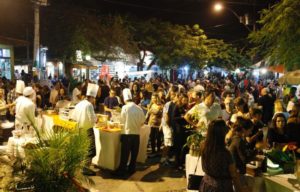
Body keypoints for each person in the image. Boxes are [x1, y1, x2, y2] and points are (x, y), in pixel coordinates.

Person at [200, 120, 245, 192]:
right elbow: (233, 174)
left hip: (206, 184)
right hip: (221, 187)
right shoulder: (225, 153)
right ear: (222, 134)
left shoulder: (204, 146)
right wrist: (240, 189)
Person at [115, 88, 145, 176]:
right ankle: (132, 169)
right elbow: (143, 122)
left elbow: (121, 121)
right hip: (136, 135)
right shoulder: (139, 108)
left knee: (125, 155)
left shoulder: (125, 108)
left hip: (127, 135)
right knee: (134, 155)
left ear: (124, 99)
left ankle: (122, 171)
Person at [71, 83, 98, 176]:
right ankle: (85, 168)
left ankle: (83, 167)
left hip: (79, 129)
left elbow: (73, 117)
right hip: (88, 130)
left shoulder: (79, 104)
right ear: (92, 97)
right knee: (90, 150)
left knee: (83, 149)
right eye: (94, 98)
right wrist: (97, 119)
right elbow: (92, 119)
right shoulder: (89, 105)